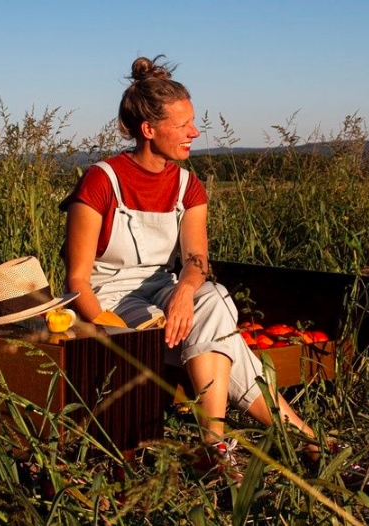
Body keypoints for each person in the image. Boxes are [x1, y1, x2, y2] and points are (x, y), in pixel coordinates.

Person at [59, 55, 319, 477]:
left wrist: (183, 291)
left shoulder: (187, 184)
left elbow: (197, 260)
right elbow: (76, 280)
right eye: (183, 126)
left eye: (192, 122)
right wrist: (114, 332)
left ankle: (213, 443)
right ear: (149, 130)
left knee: (211, 298)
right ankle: (305, 438)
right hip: (109, 299)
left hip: (163, 289)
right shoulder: (101, 181)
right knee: (222, 332)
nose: (194, 132)